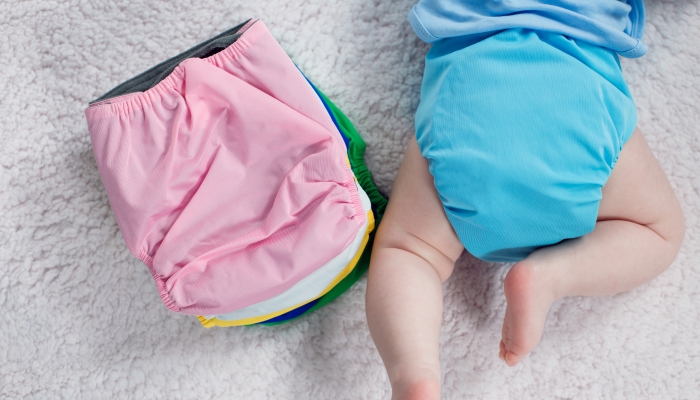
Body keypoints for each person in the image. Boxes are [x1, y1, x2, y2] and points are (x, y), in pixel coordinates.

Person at [364, 1, 686, 399]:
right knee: (658, 232)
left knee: (410, 252)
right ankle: (551, 276)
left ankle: (414, 372)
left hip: (469, 94)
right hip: (576, 95)